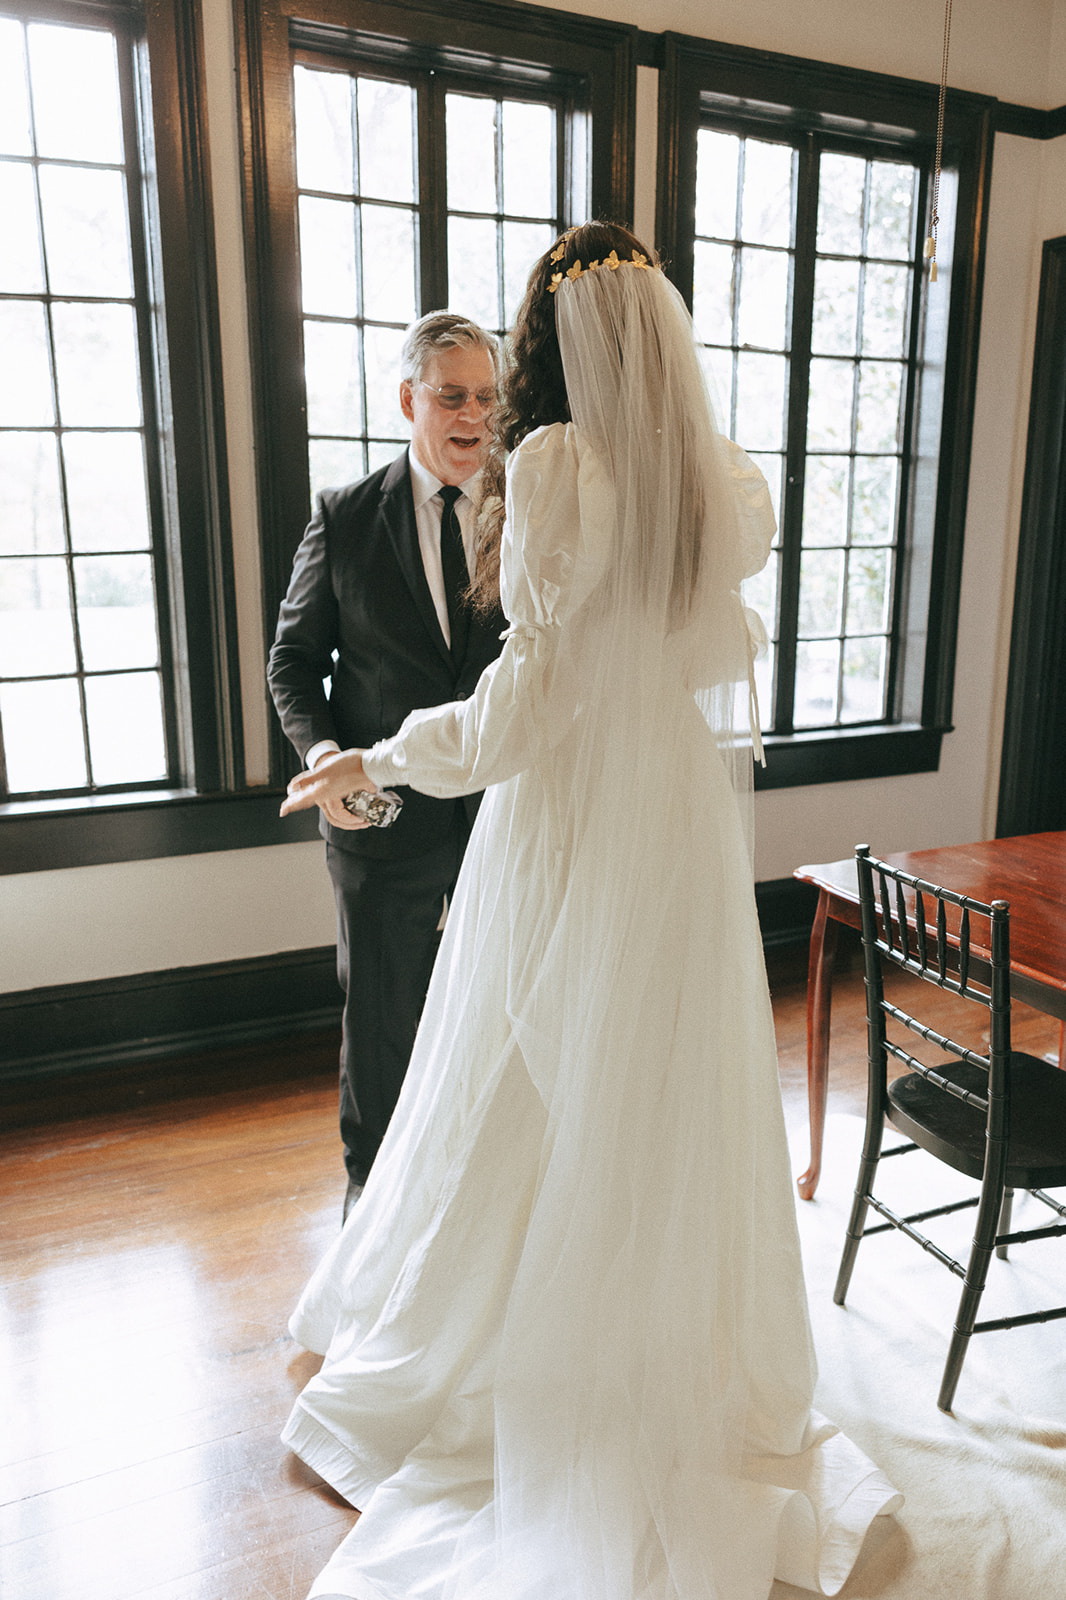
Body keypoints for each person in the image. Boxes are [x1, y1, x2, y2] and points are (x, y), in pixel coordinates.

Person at [278, 222, 901, 1600]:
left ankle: (529, 1346)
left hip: (566, 812)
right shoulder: (716, 483)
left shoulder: (558, 467)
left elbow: (514, 717)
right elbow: (697, 649)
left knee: (522, 1076)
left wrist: (373, 758)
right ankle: (661, 1342)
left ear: (542, 340)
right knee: (652, 1085)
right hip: (673, 817)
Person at [268, 313, 507, 1216]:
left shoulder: (525, 511)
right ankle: (370, 1199)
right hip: (382, 816)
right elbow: (293, 661)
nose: (473, 416)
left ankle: (471, 1198)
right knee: (379, 1018)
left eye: (487, 397)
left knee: (493, 1004)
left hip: (500, 815)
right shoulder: (344, 516)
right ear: (410, 400)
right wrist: (331, 757)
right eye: (452, 396)